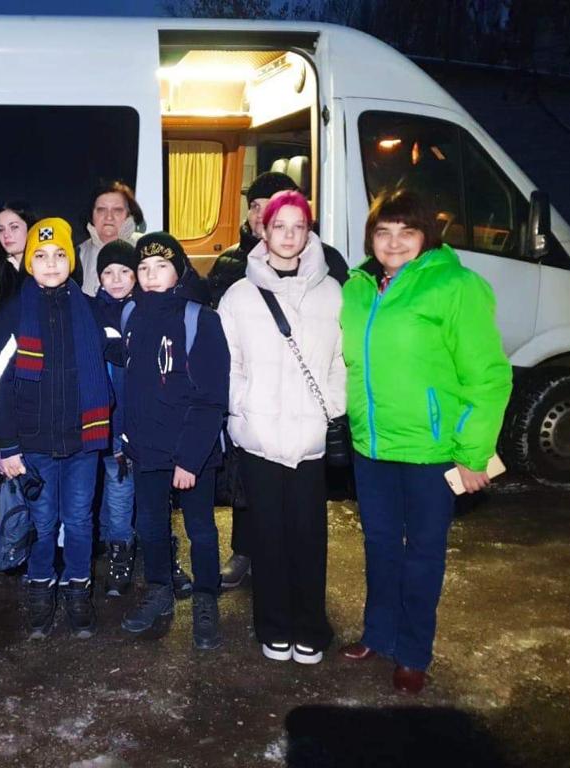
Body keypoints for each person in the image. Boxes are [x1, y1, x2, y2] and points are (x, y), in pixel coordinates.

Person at [338, 188, 512, 694]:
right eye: (383, 231)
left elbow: (489, 376)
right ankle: (378, 632)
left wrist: (473, 452)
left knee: (423, 551)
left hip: (432, 450)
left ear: (426, 236)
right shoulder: (358, 286)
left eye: (406, 231)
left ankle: (413, 651)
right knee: (379, 544)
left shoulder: (456, 286)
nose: (393, 242)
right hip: (372, 444)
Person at [217, 191, 344, 665]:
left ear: (308, 232)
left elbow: (340, 363)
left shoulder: (331, 292)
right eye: (279, 226)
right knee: (266, 539)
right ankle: (272, 625)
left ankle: (311, 626)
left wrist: (330, 408)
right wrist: (243, 407)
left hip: (310, 439)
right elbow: (227, 364)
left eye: (298, 226)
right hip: (259, 437)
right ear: (263, 231)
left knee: (309, 539)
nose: (288, 235)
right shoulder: (240, 295)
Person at [0, 218, 110, 641]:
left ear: (71, 261)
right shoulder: (13, 314)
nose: (51, 263)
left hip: (82, 439)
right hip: (33, 443)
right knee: (41, 522)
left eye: (59, 254)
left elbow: (120, 355)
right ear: (27, 262)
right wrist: (7, 444)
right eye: (40, 255)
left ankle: (78, 589)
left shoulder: (90, 308)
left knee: (78, 520)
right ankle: (40, 588)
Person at [119, 233, 230, 650]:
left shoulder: (200, 319)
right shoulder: (132, 315)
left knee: (200, 528)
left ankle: (205, 597)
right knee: (150, 525)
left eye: (161, 267)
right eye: (143, 269)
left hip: (192, 451)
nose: (151, 276)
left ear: (179, 270)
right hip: (147, 448)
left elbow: (211, 396)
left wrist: (189, 459)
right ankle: (160, 589)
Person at [92, 240, 139, 596]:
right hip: (106, 419)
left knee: (123, 486)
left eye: (125, 271)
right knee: (117, 484)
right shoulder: (93, 313)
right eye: (108, 272)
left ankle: (122, 546)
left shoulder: (144, 310)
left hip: (137, 416)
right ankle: (118, 551)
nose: (117, 279)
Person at [77, 180, 144, 297]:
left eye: (117, 210)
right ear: (91, 215)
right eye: (101, 210)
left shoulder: (146, 247)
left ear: (129, 214)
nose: (109, 217)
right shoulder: (77, 254)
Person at [0, 201, 36, 310]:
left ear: (30, 227)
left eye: (14, 227)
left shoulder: (45, 267)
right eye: (1, 229)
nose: (6, 235)